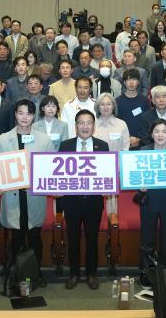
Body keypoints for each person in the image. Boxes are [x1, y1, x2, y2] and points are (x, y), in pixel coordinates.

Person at [0, 99, 54, 287]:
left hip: (33, 196)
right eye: (21, 113)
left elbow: (50, 169)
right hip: (12, 196)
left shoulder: (44, 140)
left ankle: (36, 274)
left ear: (33, 116)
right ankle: (16, 275)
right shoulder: (3, 139)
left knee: (35, 237)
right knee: (16, 238)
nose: (24, 117)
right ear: (15, 114)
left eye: (28, 114)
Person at [58, 109, 108, 289]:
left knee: (92, 238)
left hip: (93, 202)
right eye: (81, 123)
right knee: (73, 238)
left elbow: (106, 172)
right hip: (71, 201)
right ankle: (74, 274)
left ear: (94, 126)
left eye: (89, 123)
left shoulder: (102, 146)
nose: (85, 126)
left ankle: (91, 273)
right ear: (76, 126)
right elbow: (59, 173)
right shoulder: (65, 145)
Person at [137, 119, 166, 286]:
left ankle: (165, 273)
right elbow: (135, 175)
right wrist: (140, 186)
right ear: (151, 134)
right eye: (156, 131)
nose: (160, 135)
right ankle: (146, 274)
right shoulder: (143, 151)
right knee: (147, 240)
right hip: (149, 200)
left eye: (164, 131)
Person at [116, 69, 149, 150]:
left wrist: (139, 139)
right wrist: (127, 138)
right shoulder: (118, 101)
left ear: (138, 82)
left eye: (134, 79)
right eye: (128, 80)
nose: (131, 82)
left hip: (141, 142)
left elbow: (147, 122)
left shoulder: (144, 100)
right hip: (122, 141)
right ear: (124, 82)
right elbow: (117, 123)